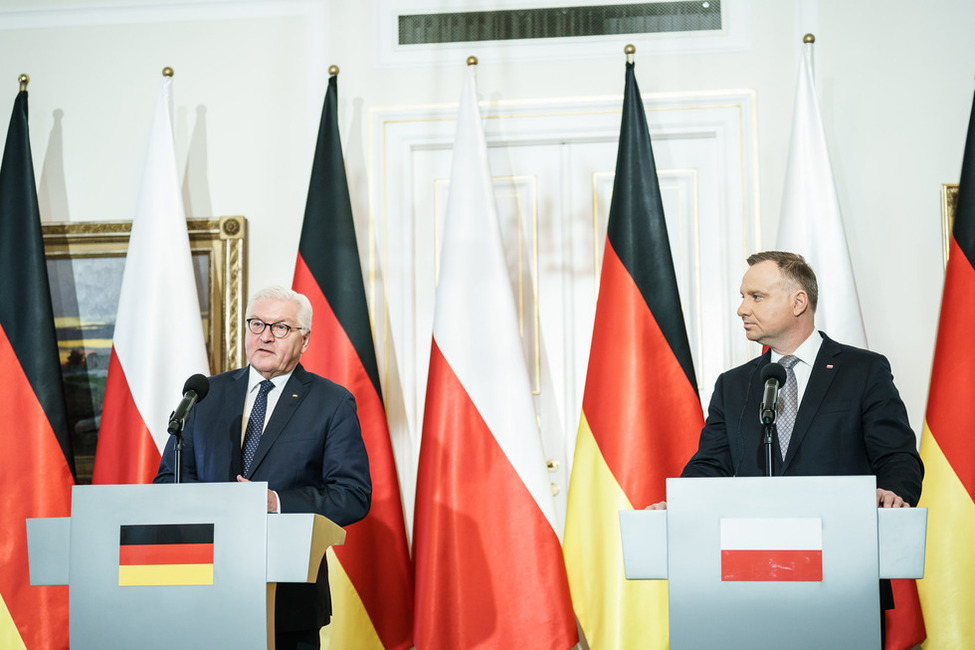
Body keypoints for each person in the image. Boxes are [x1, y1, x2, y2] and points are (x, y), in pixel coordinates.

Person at [649, 251, 923, 640]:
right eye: (742, 297)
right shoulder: (734, 384)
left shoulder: (863, 371)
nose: (742, 308)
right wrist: (679, 504)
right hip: (748, 581)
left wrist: (894, 493)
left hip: (843, 576)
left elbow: (896, 456)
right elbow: (710, 465)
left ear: (799, 302)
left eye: (756, 297)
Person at [155, 285, 371, 650]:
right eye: (256, 324)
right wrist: (218, 503)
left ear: (304, 340)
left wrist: (275, 502)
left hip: (288, 598)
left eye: (280, 327)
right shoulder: (205, 395)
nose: (265, 336)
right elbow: (169, 479)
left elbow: (351, 495)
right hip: (205, 589)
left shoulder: (331, 403)